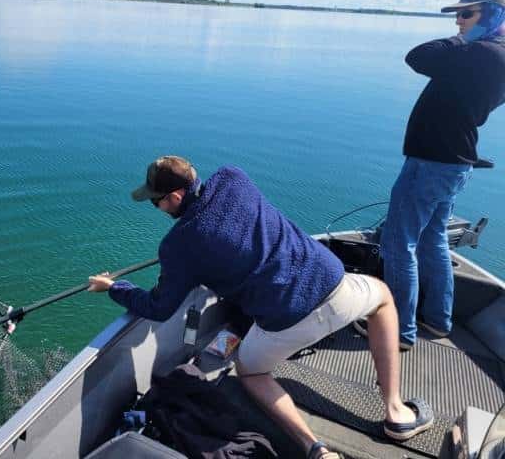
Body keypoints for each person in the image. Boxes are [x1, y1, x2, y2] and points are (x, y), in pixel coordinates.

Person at [88, 156, 433, 459]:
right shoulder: (233, 177)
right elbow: (232, 231)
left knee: (250, 372)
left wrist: (114, 287)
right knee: (383, 298)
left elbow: (159, 307)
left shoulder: (177, 246)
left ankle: (316, 449)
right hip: (335, 287)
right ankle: (396, 411)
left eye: (156, 202)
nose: (157, 207)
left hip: (286, 322)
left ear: (175, 197)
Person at [374, 0, 505, 350]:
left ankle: (399, 330)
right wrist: (473, 36)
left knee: (398, 243)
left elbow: (418, 56)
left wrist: (464, 40)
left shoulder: (483, 53)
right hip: (452, 163)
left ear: (494, 15)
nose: (458, 22)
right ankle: (437, 319)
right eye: (457, 15)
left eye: (467, 14)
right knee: (432, 240)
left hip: (431, 163)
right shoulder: (491, 54)